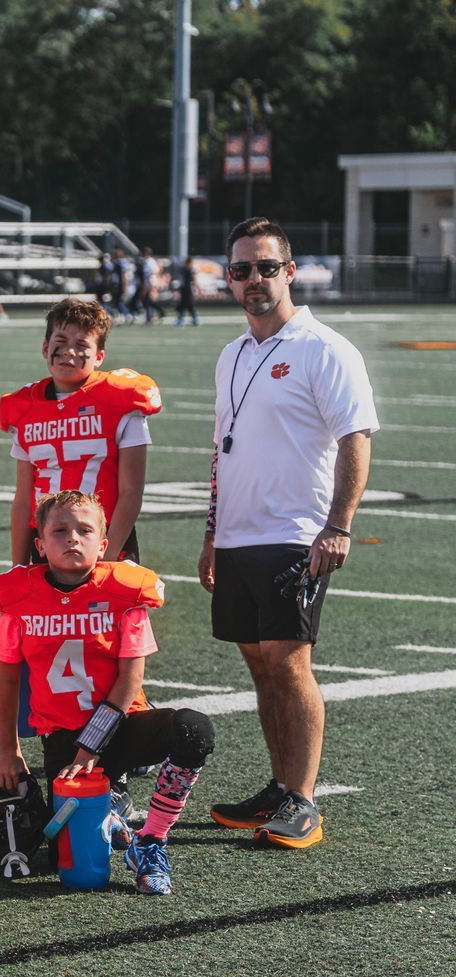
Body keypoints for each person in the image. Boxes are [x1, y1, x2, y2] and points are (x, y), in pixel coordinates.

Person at [198, 216, 377, 850]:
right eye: (241, 269)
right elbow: (224, 448)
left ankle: (302, 799)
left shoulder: (324, 348)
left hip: (297, 532)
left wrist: (339, 525)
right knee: (258, 662)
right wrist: (211, 532)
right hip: (239, 534)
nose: (253, 279)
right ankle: (277, 787)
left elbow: (356, 438)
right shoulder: (232, 353)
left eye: (266, 267)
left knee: (289, 662)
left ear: (290, 271)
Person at [0, 491, 214, 893]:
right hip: (63, 736)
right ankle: (111, 817)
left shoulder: (124, 595)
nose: (72, 538)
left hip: (120, 726)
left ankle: (152, 838)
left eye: (84, 530)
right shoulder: (18, 599)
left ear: (103, 545)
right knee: (65, 861)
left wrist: (91, 747)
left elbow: (129, 681)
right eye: (60, 530)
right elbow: (7, 681)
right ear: (40, 544)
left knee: (193, 730)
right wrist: (10, 749)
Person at [0, 298, 161, 566]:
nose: (69, 352)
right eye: (60, 342)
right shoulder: (26, 407)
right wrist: (18, 565)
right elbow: (23, 499)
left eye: (81, 345)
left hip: (106, 541)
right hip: (47, 542)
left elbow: (131, 491)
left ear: (99, 357)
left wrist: (108, 558)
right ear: (45, 347)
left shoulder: (120, 401)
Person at [174, 255, 200, 327]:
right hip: (187, 289)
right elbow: (193, 280)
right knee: (186, 305)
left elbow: (183, 280)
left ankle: (183, 320)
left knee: (187, 305)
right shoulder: (188, 270)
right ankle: (193, 320)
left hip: (185, 289)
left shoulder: (184, 269)